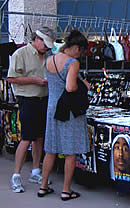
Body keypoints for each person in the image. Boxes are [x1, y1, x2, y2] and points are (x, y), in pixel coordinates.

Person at [36, 30, 90, 201]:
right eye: (81, 51)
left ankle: (43, 186)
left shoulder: (50, 59)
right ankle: (66, 191)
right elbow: (70, 87)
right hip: (67, 111)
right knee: (70, 151)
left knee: (50, 149)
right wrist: (84, 85)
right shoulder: (72, 63)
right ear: (75, 48)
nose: (81, 55)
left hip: (51, 108)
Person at [8, 26, 56, 193]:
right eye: (45, 44)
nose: (46, 48)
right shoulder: (20, 54)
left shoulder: (49, 55)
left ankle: (36, 171)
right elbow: (12, 78)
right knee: (27, 137)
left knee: (40, 137)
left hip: (44, 99)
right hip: (28, 99)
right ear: (37, 39)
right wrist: (35, 81)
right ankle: (16, 175)